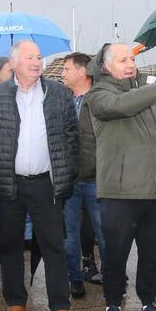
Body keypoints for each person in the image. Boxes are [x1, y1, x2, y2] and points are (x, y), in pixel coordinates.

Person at [0, 40, 78, 311]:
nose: (36, 62)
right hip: (8, 183)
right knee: (10, 245)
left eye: (39, 57)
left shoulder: (58, 94)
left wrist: (67, 175)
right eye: (30, 57)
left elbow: (71, 138)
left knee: (53, 244)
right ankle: (16, 302)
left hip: (47, 183)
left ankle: (60, 306)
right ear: (14, 63)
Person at [85, 43, 156, 311]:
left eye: (131, 58)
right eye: (122, 60)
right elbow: (122, 105)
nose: (130, 64)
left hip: (153, 189)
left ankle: (148, 304)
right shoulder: (99, 95)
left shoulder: (148, 91)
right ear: (106, 67)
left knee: (152, 252)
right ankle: (112, 304)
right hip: (118, 192)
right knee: (116, 253)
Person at [60, 51, 103, 298]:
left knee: (104, 233)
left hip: (96, 176)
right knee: (69, 234)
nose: (63, 74)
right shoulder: (62, 99)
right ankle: (74, 278)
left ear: (81, 71)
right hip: (69, 179)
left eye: (66, 69)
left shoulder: (99, 100)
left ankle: (111, 277)